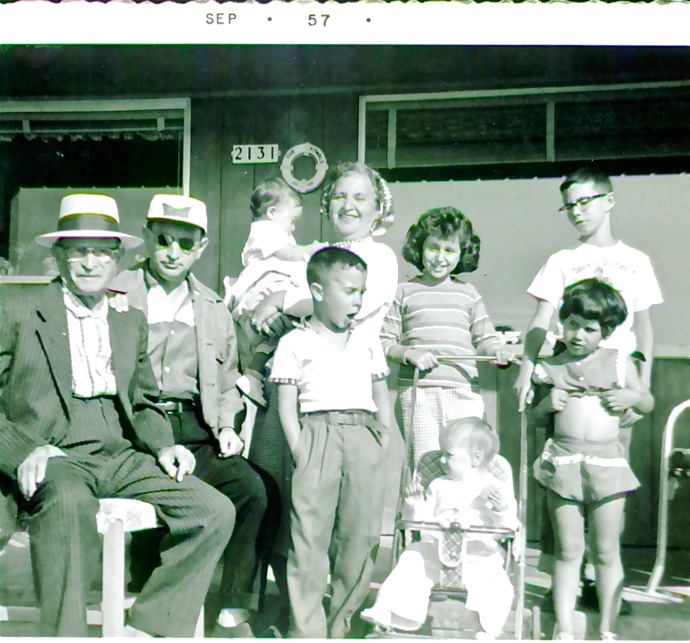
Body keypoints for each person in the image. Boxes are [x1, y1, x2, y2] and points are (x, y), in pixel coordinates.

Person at [0, 194, 233, 637]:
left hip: (118, 452)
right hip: (54, 453)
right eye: (79, 250)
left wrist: (165, 446)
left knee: (213, 509)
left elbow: (142, 401)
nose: (91, 263)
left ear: (118, 258)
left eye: (102, 252)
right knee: (69, 503)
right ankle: (66, 635)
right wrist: (24, 450)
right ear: (58, 255)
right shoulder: (16, 309)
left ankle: (149, 626)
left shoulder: (130, 319)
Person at [245, 162, 398, 628]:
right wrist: (271, 303)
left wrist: (280, 302)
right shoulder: (312, 258)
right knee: (296, 519)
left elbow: (347, 303)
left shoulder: (379, 257)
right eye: (340, 197)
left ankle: (340, 621)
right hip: (304, 406)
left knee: (355, 533)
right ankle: (302, 620)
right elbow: (263, 303)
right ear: (327, 203)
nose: (348, 206)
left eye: (361, 198)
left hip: (357, 406)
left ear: (378, 209)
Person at [108, 194, 269, 636]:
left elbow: (228, 377)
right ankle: (147, 597)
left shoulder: (213, 307)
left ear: (200, 247)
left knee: (250, 488)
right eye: (163, 240)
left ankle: (233, 606)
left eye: (185, 243)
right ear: (146, 237)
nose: (172, 252)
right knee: (159, 494)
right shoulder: (115, 293)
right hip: (133, 423)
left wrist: (228, 428)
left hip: (195, 425)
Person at [513, 166, 663, 611]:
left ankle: (602, 583)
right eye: (569, 205)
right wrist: (527, 368)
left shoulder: (636, 261)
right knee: (562, 481)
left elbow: (645, 330)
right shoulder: (561, 261)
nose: (577, 212)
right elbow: (542, 322)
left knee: (607, 488)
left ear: (609, 199)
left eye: (586, 201)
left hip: (616, 389)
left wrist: (643, 389)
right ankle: (567, 582)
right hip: (568, 380)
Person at [268, 246, 394, 638]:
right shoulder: (294, 343)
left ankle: (342, 625)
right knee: (309, 540)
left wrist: (383, 438)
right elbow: (286, 407)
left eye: (361, 292)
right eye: (351, 291)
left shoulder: (368, 339)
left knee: (361, 537)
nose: (358, 300)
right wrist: (301, 449)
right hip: (316, 437)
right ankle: (308, 631)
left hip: (363, 435)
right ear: (319, 291)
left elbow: (381, 394)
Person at [529, 279, 654, 640]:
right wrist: (544, 405)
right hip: (564, 464)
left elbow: (648, 402)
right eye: (571, 324)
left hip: (607, 468)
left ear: (606, 331)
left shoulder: (617, 363)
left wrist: (631, 396)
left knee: (605, 550)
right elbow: (537, 421)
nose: (578, 334)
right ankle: (565, 629)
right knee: (568, 550)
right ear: (561, 324)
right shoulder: (550, 367)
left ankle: (607, 630)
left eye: (589, 328)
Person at [360, 417, 517, 639]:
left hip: (478, 554)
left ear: (476, 458)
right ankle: (389, 611)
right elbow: (420, 524)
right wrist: (415, 503)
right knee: (412, 559)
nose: (441, 459)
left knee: (496, 583)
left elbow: (509, 528)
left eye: (448, 455)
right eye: (442, 453)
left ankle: (488, 628)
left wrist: (502, 510)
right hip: (435, 549)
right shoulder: (438, 485)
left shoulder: (493, 488)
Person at [381, 206, 510, 464]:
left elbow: (485, 338)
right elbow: (384, 341)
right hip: (418, 393)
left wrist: (497, 350)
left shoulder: (468, 293)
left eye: (450, 250)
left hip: (463, 391)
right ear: (419, 249)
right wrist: (409, 353)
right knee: (425, 462)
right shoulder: (405, 292)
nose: (440, 258)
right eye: (433, 248)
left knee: (465, 462)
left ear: (462, 254)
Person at [224, 178, 324, 406]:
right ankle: (256, 375)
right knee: (286, 326)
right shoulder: (264, 230)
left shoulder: (273, 229)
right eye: (292, 220)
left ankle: (255, 375)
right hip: (263, 288)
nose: (294, 227)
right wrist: (309, 250)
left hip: (269, 289)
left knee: (274, 337)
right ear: (272, 212)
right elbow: (287, 253)